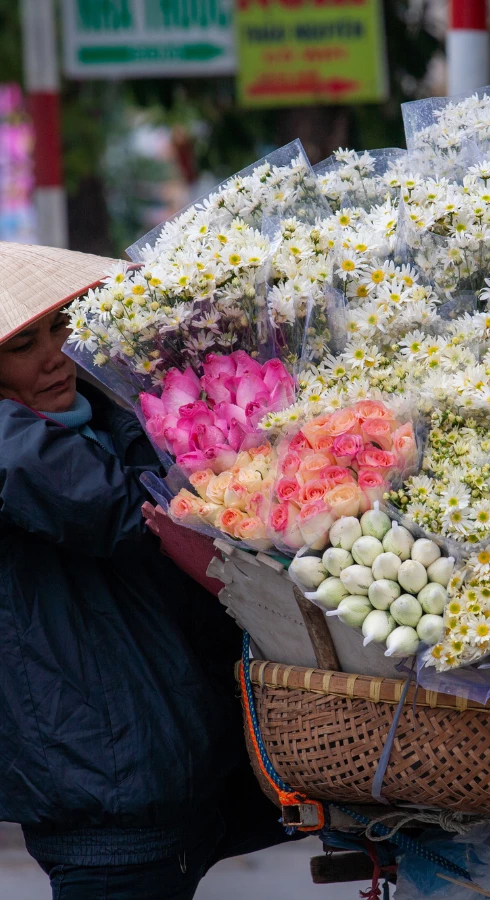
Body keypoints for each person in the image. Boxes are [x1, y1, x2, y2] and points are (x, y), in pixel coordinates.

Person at [0, 242, 294, 899]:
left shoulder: (101, 421)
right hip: (106, 799)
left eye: (63, 328)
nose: (55, 356)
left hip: (176, 785)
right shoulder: (14, 449)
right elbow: (126, 509)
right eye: (24, 344)